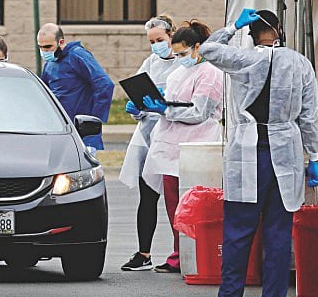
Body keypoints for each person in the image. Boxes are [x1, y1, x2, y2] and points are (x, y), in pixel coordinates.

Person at [199, 8, 318, 297]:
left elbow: (208, 49)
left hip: (247, 154)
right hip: (285, 154)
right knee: (278, 235)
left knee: (238, 233)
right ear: (279, 29)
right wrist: (314, 157)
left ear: (249, 32)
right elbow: (308, 116)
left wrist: (231, 27)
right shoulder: (299, 63)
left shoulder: (243, 59)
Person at [139, 20, 224, 273]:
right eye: (176, 55)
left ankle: (197, 254)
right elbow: (171, 103)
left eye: (184, 54)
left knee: (194, 205)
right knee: (174, 205)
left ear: (198, 47)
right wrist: (154, 106)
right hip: (171, 147)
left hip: (197, 145)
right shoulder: (178, 72)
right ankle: (180, 253)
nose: (179, 58)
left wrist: (166, 110)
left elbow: (200, 112)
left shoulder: (210, 73)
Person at [120, 14, 180, 272]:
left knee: (175, 198)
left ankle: (181, 253)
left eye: (160, 39)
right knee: (147, 196)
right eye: (152, 41)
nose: (156, 45)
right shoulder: (150, 63)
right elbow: (138, 91)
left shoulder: (182, 65)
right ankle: (144, 252)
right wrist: (135, 108)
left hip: (171, 135)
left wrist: (165, 104)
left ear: (171, 36)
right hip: (148, 134)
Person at [38, 23, 115, 152]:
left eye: (48, 47)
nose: (44, 51)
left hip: (84, 131)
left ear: (61, 42)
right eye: (40, 47)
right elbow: (45, 93)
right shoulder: (50, 64)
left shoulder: (77, 56)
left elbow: (104, 84)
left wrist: (94, 120)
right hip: (60, 129)